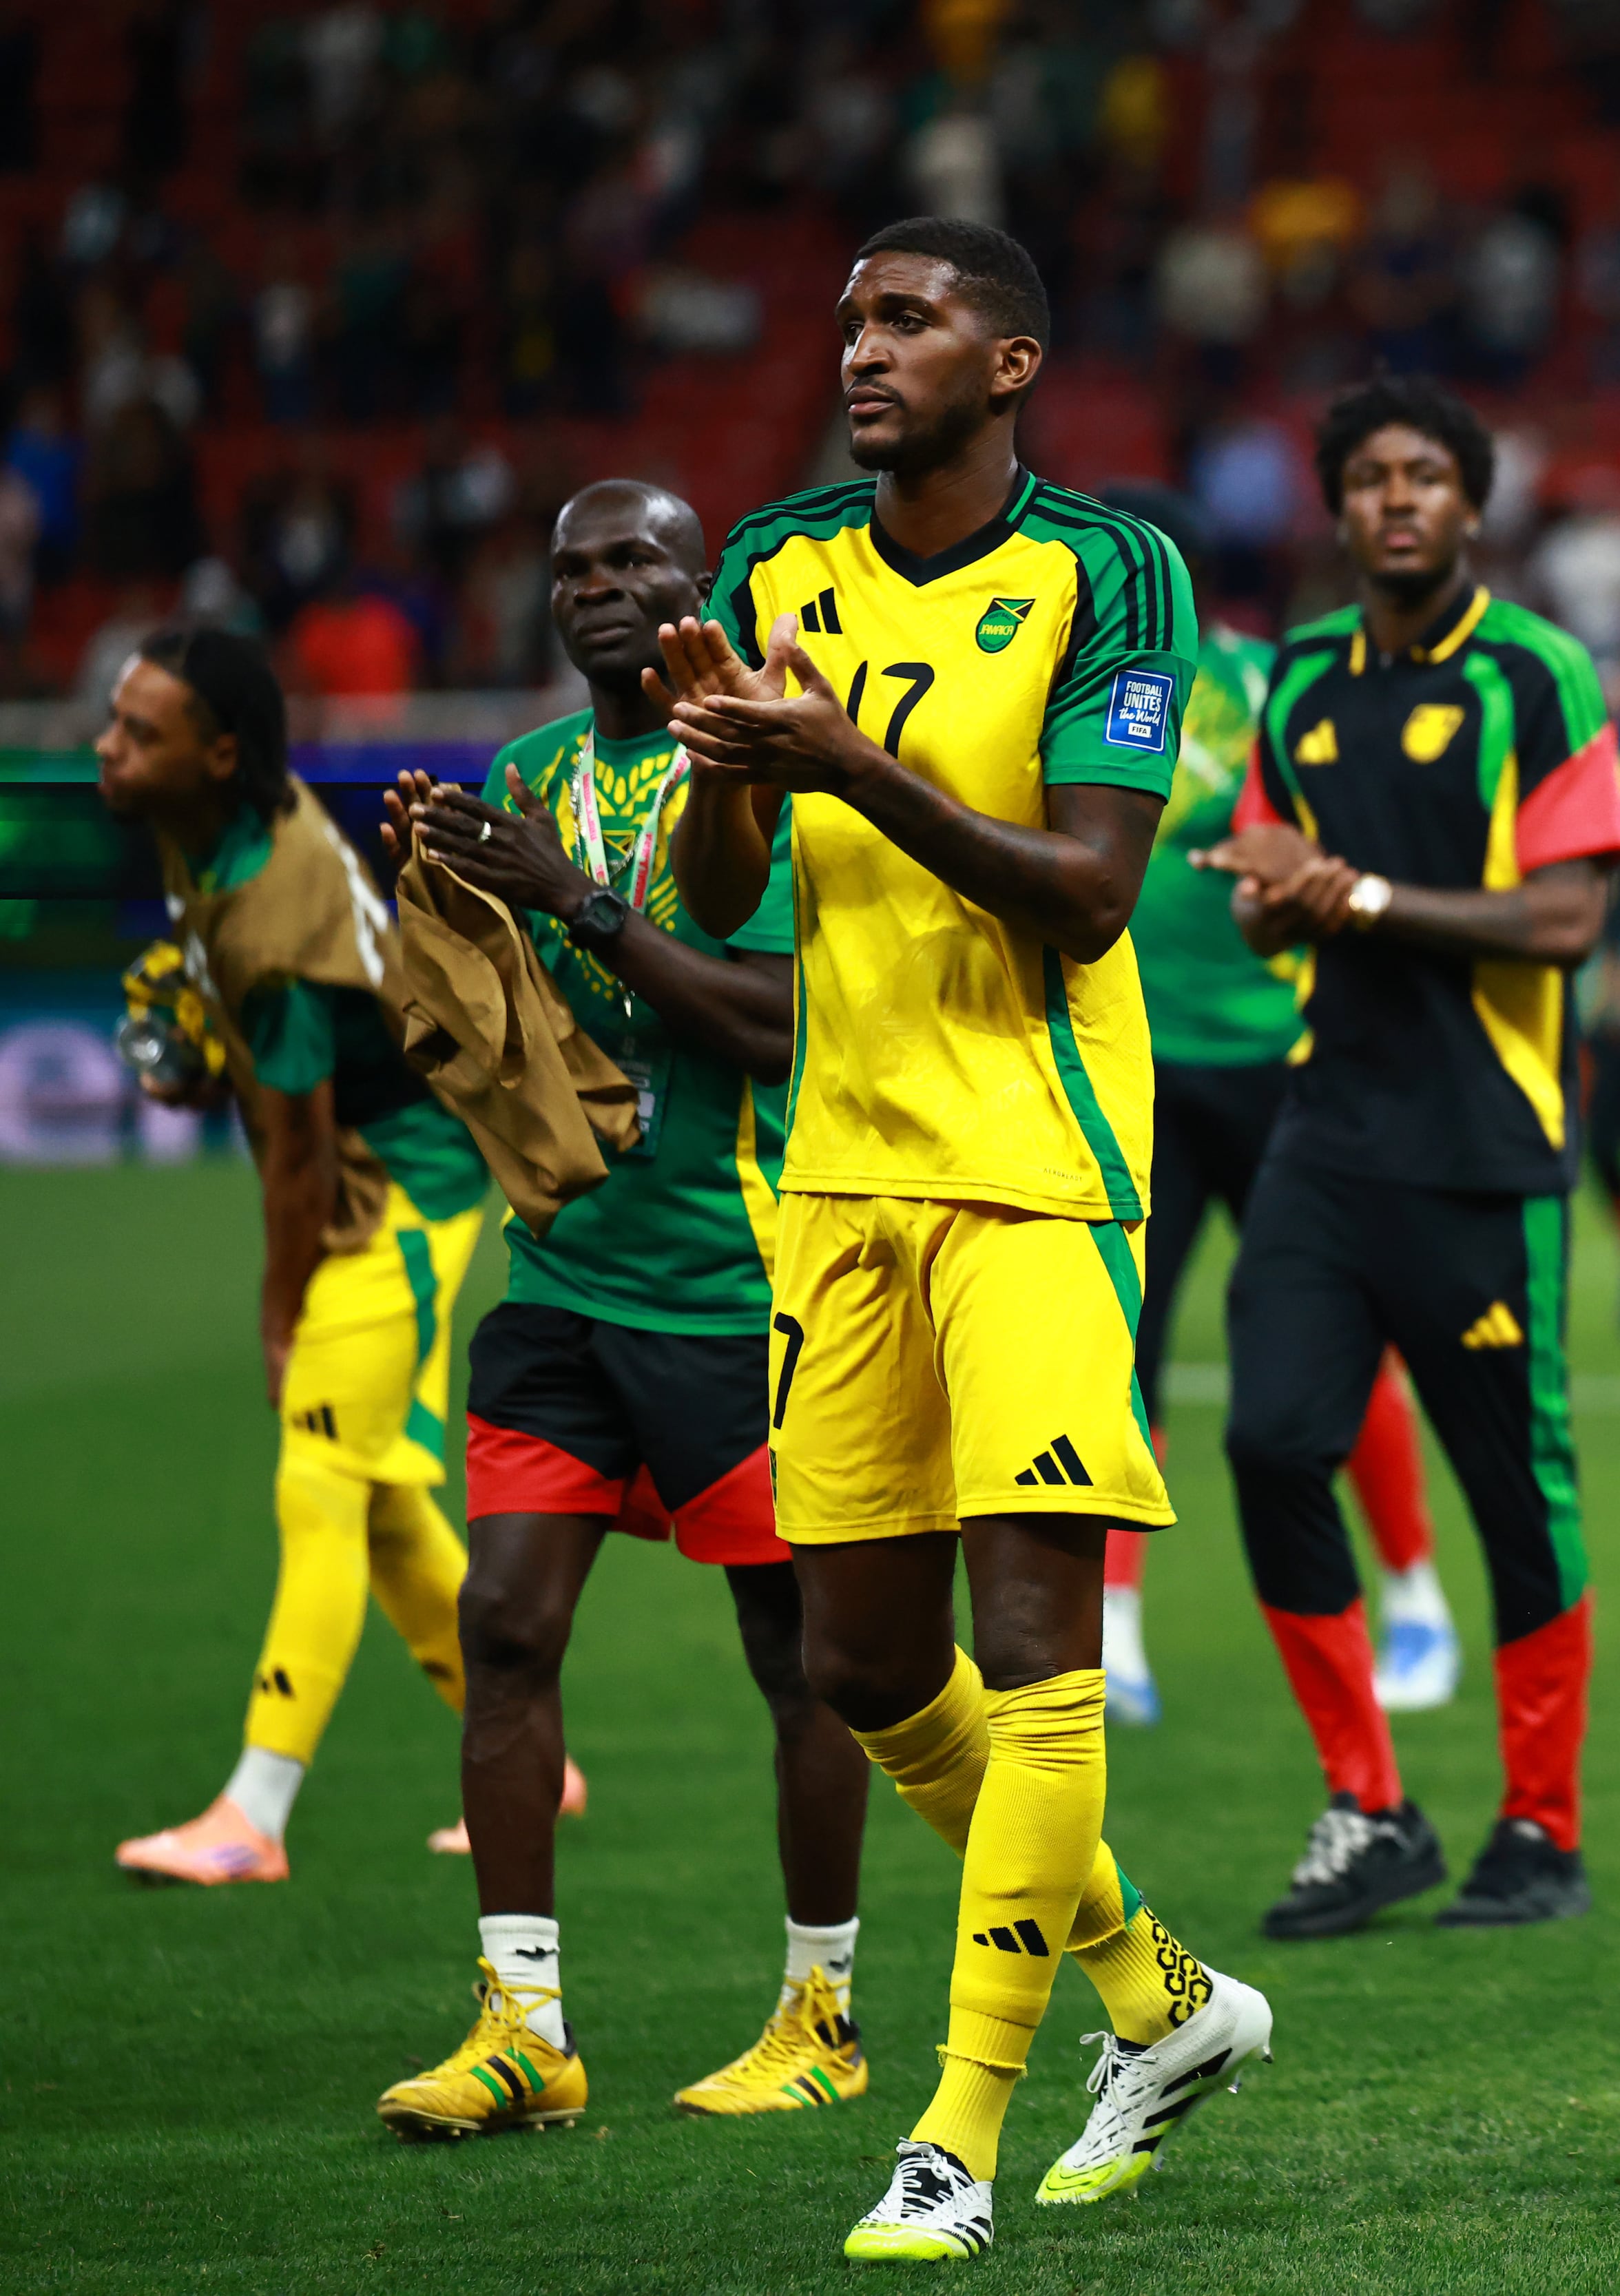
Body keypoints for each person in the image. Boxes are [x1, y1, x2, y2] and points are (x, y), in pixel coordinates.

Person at [655, 216, 1266, 2264]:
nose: (859, 348)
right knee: (858, 1661)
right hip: (834, 1168)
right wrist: (737, 766)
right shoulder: (772, 564)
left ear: (1009, 365)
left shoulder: (1112, 570)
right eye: (845, 318)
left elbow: (1087, 888)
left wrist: (849, 753)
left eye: (907, 319)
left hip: (1040, 1162)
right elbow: (731, 882)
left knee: (1031, 1639)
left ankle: (956, 2133)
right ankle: (1162, 1999)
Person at [366, 479, 876, 2138]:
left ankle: (822, 2012)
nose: (596, 588)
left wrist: (573, 898)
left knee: (800, 1666)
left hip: (741, 1289)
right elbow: (501, 1045)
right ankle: (524, 2027)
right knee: (504, 1629)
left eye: (635, 562)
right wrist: (438, 910)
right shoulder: (525, 774)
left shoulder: (768, 761)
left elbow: (784, 1024)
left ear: (702, 590)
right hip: (566, 1286)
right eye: (572, 564)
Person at [1207, 375, 1620, 1939]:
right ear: (1337, 506)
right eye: (1371, 475)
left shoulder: (1537, 674)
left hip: (1482, 1145)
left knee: (1517, 1497)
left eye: (1426, 476)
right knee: (1266, 1442)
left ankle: (1543, 1830)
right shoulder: (1302, 673)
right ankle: (1369, 1804)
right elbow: (1266, 883)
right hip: (1327, 1129)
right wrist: (1273, 897)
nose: (1397, 499)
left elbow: (1568, 919)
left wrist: (1352, 897)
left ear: (1473, 504)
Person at [102, 625, 506, 1888]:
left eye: (138, 733)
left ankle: (253, 1810)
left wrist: (281, 1316)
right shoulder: (233, 829)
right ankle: (526, 1756)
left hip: (405, 1187)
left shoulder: (270, 912)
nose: (107, 749)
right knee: (380, 1502)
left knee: (317, 1479)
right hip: (403, 1159)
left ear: (220, 754)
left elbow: (295, 1158)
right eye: (115, 723)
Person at [1104, 491, 1456, 1724]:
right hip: (1127, 1065)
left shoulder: (1275, 688)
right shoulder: (1067, 690)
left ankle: (1417, 1595)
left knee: (1336, 1336)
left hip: (1281, 1060)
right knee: (1117, 1346)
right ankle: (1113, 1630)